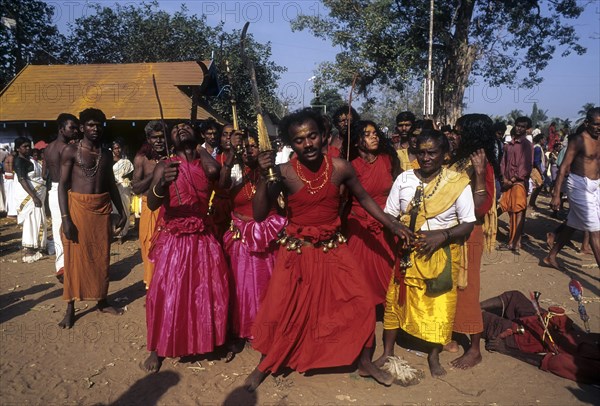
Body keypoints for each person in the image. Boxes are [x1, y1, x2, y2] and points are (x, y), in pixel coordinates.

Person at [244, 109, 412, 391]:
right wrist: (264, 177)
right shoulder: (283, 173)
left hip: (334, 248)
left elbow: (365, 199)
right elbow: (260, 214)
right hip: (298, 252)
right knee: (284, 308)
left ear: (323, 136)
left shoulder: (341, 168)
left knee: (360, 302)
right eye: (299, 140)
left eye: (312, 136)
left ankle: (364, 360)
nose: (307, 144)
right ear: (290, 144)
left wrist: (392, 225)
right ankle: (266, 363)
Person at [376, 129, 476, 377]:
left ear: (444, 154)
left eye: (432, 152)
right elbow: (389, 213)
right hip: (407, 253)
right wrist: (397, 228)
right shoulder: (404, 179)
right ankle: (388, 351)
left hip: (441, 253)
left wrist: (442, 235)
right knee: (396, 299)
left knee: (438, 306)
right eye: (421, 152)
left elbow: (468, 223)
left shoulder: (457, 182)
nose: (427, 157)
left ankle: (433, 355)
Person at [142, 122, 229, 373]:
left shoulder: (205, 162)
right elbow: (150, 203)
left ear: (198, 135)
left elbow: (214, 172)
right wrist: (161, 185)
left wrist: (199, 149)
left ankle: (209, 340)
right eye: (175, 128)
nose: (180, 130)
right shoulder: (164, 165)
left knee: (209, 290)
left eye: (186, 127)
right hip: (174, 237)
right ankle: (156, 349)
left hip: (203, 235)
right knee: (164, 292)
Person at [58, 108, 126, 329]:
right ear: (81, 127)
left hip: (101, 209)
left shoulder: (106, 154)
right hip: (77, 209)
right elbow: (62, 187)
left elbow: (111, 184)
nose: (95, 129)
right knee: (74, 258)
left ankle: (102, 300)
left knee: (101, 256)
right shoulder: (70, 151)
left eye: (98, 125)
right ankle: (70, 307)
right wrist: (66, 218)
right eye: (90, 125)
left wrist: (122, 210)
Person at [221, 130, 286, 352]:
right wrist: (230, 154)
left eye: (254, 146)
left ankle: (268, 329)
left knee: (266, 284)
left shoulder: (272, 172)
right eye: (245, 146)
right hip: (240, 236)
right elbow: (221, 186)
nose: (249, 150)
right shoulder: (234, 172)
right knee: (241, 287)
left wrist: (267, 170)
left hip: (267, 235)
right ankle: (241, 330)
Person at [447, 114, 499, 369]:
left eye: (458, 132)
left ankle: (475, 348)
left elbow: (482, 206)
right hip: (453, 231)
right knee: (451, 285)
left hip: (469, 234)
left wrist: (478, 175)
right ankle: (451, 336)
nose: (454, 136)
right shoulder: (461, 159)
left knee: (468, 288)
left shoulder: (481, 163)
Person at [481, 290, 600, 384]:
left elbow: (553, 362)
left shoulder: (592, 368)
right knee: (514, 296)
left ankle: (468, 311)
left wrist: (507, 350)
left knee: (485, 321)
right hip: (548, 324)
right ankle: (471, 307)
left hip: (534, 340)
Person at [346, 120, 401, 303]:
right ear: (356, 141)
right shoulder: (350, 166)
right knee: (358, 274)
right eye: (367, 134)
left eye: (375, 133)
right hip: (360, 225)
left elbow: (400, 186)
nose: (374, 137)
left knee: (388, 271)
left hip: (387, 222)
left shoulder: (388, 160)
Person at [544, 107, 600, 269]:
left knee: (573, 223)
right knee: (595, 230)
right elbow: (563, 168)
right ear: (587, 123)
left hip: (595, 186)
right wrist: (556, 195)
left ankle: (551, 257)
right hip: (578, 185)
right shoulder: (578, 140)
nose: (599, 128)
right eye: (596, 124)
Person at [43, 113, 79, 281]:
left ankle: (61, 267)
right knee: (68, 228)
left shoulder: (48, 148)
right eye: (71, 127)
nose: (75, 131)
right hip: (65, 191)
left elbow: (44, 175)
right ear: (61, 128)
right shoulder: (66, 149)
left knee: (58, 229)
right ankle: (70, 267)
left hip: (53, 190)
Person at [132, 121, 167, 289]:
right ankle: (152, 289)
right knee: (149, 248)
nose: (159, 141)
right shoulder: (142, 159)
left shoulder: (172, 156)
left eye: (162, 138)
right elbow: (136, 187)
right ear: (148, 139)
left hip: (169, 209)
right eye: (155, 138)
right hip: (150, 208)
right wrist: (156, 173)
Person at [498, 116, 533, 254]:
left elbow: (525, 166)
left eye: (522, 126)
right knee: (511, 210)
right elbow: (503, 163)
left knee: (518, 211)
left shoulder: (526, 145)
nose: (519, 128)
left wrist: (512, 179)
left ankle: (515, 241)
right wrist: (504, 178)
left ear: (527, 129)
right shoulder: (509, 145)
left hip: (518, 182)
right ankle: (513, 241)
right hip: (508, 181)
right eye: (518, 125)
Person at [13, 137, 47, 263]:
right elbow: (22, 180)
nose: (28, 148)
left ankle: (38, 244)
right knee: (31, 219)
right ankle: (29, 248)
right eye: (24, 146)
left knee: (39, 218)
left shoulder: (32, 160)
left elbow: (41, 176)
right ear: (18, 149)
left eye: (29, 146)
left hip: (38, 194)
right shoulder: (18, 161)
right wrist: (33, 196)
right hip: (29, 196)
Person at [111, 140, 134, 240]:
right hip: (112, 188)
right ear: (112, 149)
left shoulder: (126, 162)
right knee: (113, 209)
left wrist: (124, 179)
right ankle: (113, 230)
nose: (118, 150)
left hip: (124, 188)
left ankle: (122, 233)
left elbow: (131, 174)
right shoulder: (109, 160)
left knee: (125, 208)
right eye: (115, 148)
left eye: (119, 148)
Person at [528, 133, 546, 210]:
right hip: (536, 169)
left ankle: (532, 202)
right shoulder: (538, 148)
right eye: (543, 139)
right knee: (538, 185)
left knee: (537, 186)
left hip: (535, 168)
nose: (544, 141)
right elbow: (537, 161)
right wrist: (541, 172)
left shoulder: (535, 147)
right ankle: (531, 203)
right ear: (540, 139)